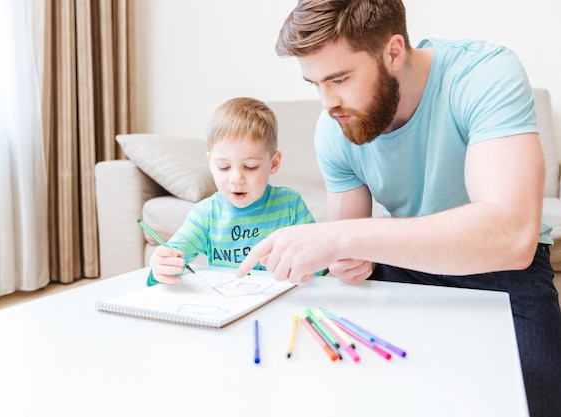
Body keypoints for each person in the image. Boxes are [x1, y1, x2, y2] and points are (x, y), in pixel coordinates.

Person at [236, 1, 561, 415]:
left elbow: (511, 234)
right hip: (403, 264)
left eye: (339, 79)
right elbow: (349, 258)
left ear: (393, 52)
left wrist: (338, 238)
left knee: (534, 398)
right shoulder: (334, 127)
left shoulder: (483, 74)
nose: (326, 102)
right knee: (357, 391)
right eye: (314, 83)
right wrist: (346, 261)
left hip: (504, 273)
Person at [148, 97, 316, 285]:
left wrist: (309, 267)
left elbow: (320, 261)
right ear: (211, 163)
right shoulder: (206, 214)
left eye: (251, 166)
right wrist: (161, 266)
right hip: (228, 304)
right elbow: (173, 255)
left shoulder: (290, 205)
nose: (236, 178)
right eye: (223, 167)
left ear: (274, 163)